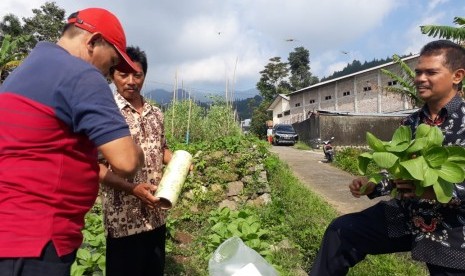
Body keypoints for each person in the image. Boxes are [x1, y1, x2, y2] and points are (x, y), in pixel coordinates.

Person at [0, 8, 144, 276]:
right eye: (111, 63)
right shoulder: (80, 74)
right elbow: (125, 162)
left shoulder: (19, 75)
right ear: (93, 41)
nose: (107, 73)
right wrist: (140, 153)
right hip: (38, 241)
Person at [309, 40, 465, 276]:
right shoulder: (411, 122)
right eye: (418, 72)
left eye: (431, 72)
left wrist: (430, 191)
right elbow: (396, 168)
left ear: (457, 76)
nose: (421, 78)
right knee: (343, 231)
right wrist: (373, 183)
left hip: (453, 227)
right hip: (407, 215)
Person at [99, 46, 173, 276]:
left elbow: (161, 149)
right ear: (112, 76)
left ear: (144, 76)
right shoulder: (105, 113)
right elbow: (95, 167)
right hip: (123, 220)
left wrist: (178, 161)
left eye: (137, 75)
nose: (131, 81)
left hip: (156, 214)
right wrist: (132, 189)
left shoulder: (156, 114)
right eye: (123, 74)